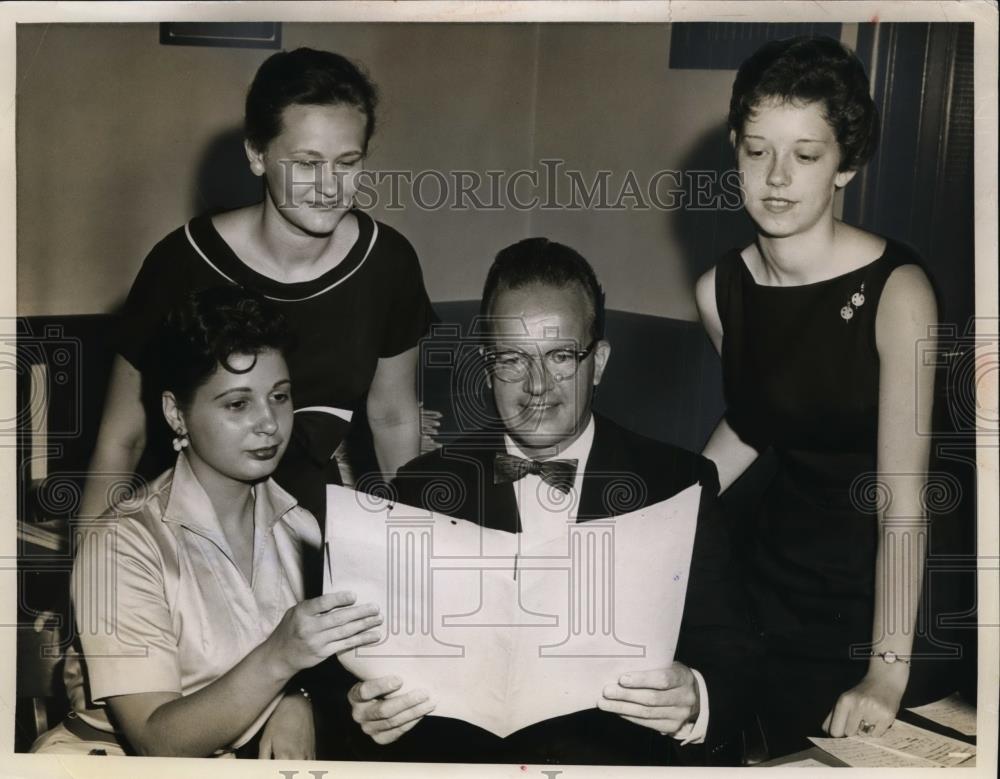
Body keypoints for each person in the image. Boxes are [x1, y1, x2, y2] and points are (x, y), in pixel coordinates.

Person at [344, 238, 757, 766]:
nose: (537, 385)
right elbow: (361, 677)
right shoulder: (422, 490)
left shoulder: (677, 481)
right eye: (512, 359)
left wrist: (695, 698)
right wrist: (368, 712)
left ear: (598, 362)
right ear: (487, 367)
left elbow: (737, 665)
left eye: (560, 356)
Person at [692, 36, 938, 757]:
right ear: (735, 148)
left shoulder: (900, 291)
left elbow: (904, 505)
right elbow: (760, 418)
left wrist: (886, 674)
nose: (776, 176)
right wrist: (668, 504)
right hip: (779, 571)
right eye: (758, 149)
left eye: (806, 154)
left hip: (890, 591)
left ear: (846, 165)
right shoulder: (720, 291)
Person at [80, 47, 434, 525]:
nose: (330, 186)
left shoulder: (387, 264)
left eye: (347, 163)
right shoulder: (181, 263)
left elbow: (392, 418)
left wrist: (410, 545)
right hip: (187, 525)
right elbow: (122, 439)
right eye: (307, 164)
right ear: (257, 154)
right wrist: (90, 573)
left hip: (310, 522)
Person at [31, 287, 383, 758]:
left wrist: (295, 700)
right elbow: (157, 741)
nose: (270, 424)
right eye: (238, 404)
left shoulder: (303, 529)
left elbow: (326, 678)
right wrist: (279, 660)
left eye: (279, 396)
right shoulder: (121, 544)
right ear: (177, 413)